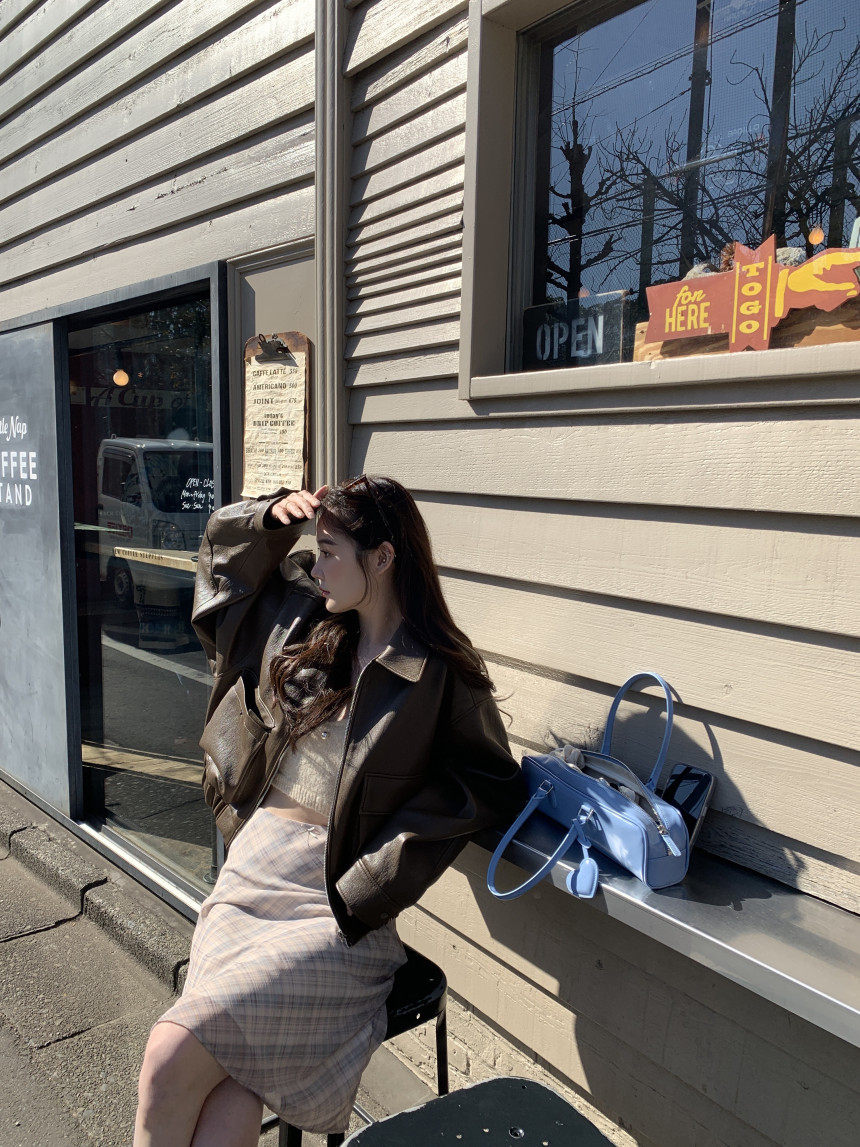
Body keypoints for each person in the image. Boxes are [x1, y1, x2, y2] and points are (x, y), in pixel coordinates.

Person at [133, 475, 527, 1147]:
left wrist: (376, 876)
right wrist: (265, 519)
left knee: (170, 1054)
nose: (315, 566)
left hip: (333, 905)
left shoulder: (437, 673)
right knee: (229, 1091)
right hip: (252, 872)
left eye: (330, 551)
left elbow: (490, 783)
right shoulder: (305, 620)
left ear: (384, 557)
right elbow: (221, 581)